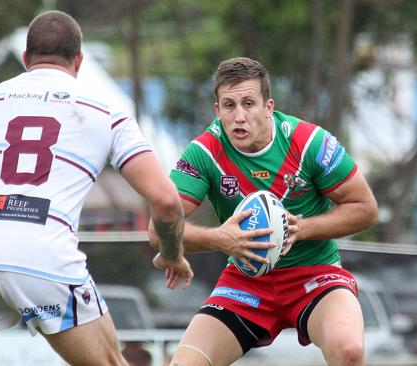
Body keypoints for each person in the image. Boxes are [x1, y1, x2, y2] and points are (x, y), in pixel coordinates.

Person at [0, 10, 193, 366]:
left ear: (26, 59)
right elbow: (165, 199)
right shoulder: (106, 114)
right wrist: (173, 253)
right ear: (79, 60)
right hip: (45, 262)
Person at [149, 57, 378, 366]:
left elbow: (365, 208)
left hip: (314, 276)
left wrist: (302, 229)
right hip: (246, 283)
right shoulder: (204, 152)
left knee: (349, 351)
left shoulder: (309, 142)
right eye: (229, 106)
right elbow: (159, 228)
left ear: (268, 107)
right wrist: (222, 239)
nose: (239, 116)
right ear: (217, 111)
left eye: (249, 104)